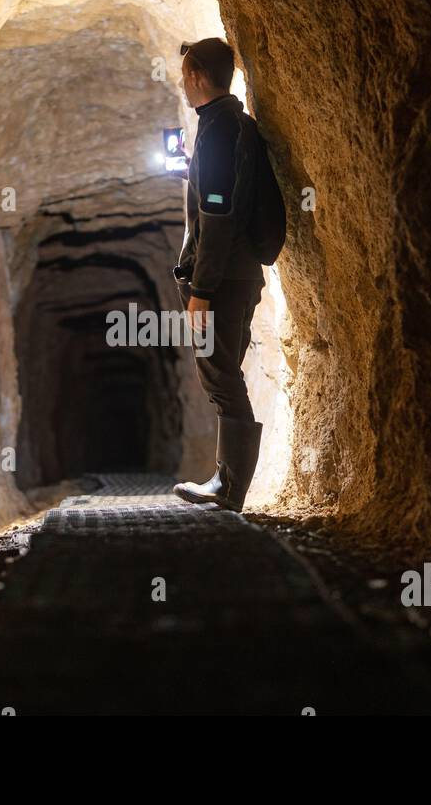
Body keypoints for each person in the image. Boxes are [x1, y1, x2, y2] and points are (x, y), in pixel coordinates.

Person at [171, 38, 266, 513]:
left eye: (184, 73)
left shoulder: (221, 129)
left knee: (221, 373)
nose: (181, 82)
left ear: (197, 76)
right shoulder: (228, 124)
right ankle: (226, 483)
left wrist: (202, 291)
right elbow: (218, 198)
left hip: (225, 279)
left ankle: (229, 488)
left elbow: (220, 216)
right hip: (236, 274)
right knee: (221, 371)